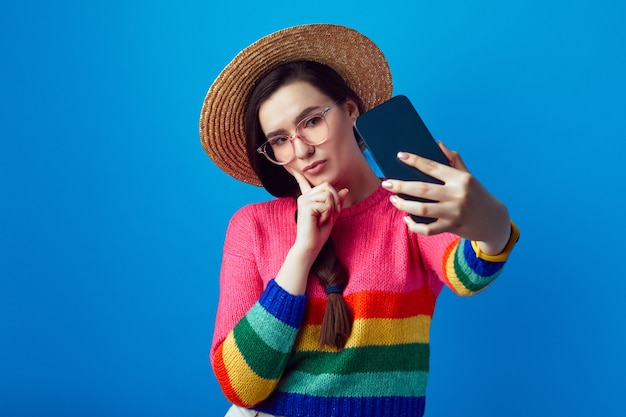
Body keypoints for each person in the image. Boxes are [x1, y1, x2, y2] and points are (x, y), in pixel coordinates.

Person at [199, 24, 520, 417]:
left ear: (351, 110)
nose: (301, 149)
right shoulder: (253, 226)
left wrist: (490, 218)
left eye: (312, 121)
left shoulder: (409, 203)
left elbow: (470, 273)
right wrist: (301, 253)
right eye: (280, 140)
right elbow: (240, 385)